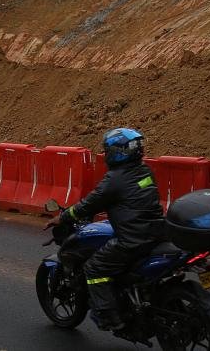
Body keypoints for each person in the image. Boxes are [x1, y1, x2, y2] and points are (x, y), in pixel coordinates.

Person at [44, 127, 165, 331]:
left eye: (107, 150)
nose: (105, 154)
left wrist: (62, 217)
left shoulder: (115, 179)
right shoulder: (145, 171)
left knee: (94, 268)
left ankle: (109, 317)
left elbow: (88, 205)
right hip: (157, 233)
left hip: (132, 239)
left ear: (117, 152)